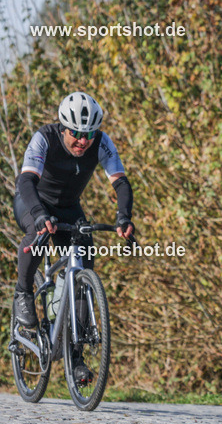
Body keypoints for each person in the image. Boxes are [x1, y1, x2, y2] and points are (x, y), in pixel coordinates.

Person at [13, 92, 135, 384]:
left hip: (69, 208)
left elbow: (120, 182)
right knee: (37, 235)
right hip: (33, 202)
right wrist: (40, 215)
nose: (83, 141)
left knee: (83, 267)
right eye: (76, 134)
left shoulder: (102, 142)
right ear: (63, 127)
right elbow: (26, 180)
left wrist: (124, 218)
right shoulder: (44, 138)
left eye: (89, 134)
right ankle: (23, 294)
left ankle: (76, 358)